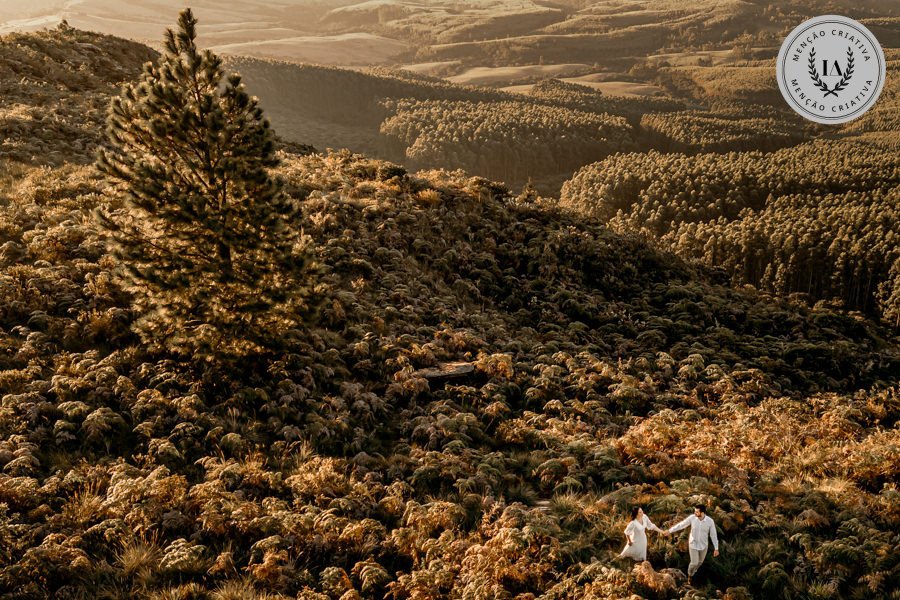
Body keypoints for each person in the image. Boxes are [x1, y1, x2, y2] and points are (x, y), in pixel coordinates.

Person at [664, 504, 720, 583]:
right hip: (693, 544)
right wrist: (669, 531)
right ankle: (690, 575)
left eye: (697, 512)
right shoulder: (692, 518)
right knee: (694, 562)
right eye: (694, 511)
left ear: (702, 513)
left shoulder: (710, 521)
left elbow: (713, 535)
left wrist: (716, 548)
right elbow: (681, 525)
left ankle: (693, 572)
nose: (695, 513)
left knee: (700, 562)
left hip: (704, 545)